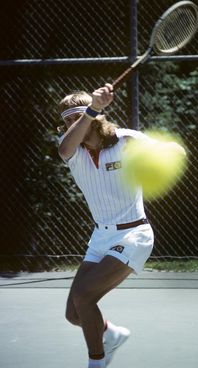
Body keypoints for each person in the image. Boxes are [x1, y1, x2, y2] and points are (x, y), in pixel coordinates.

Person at [58, 83, 154, 368]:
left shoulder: (127, 140)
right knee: (74, 313)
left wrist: (171, 150)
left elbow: (161, 150)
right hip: (101, 236)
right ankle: (110, 334)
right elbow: (65, 146)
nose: (71, 125)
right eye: (67, 121)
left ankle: (96, 362)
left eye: (77, 117)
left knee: (84, 295)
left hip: (135, 233)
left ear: (97, 117)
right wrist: (90, 110)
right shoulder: (70, 149)